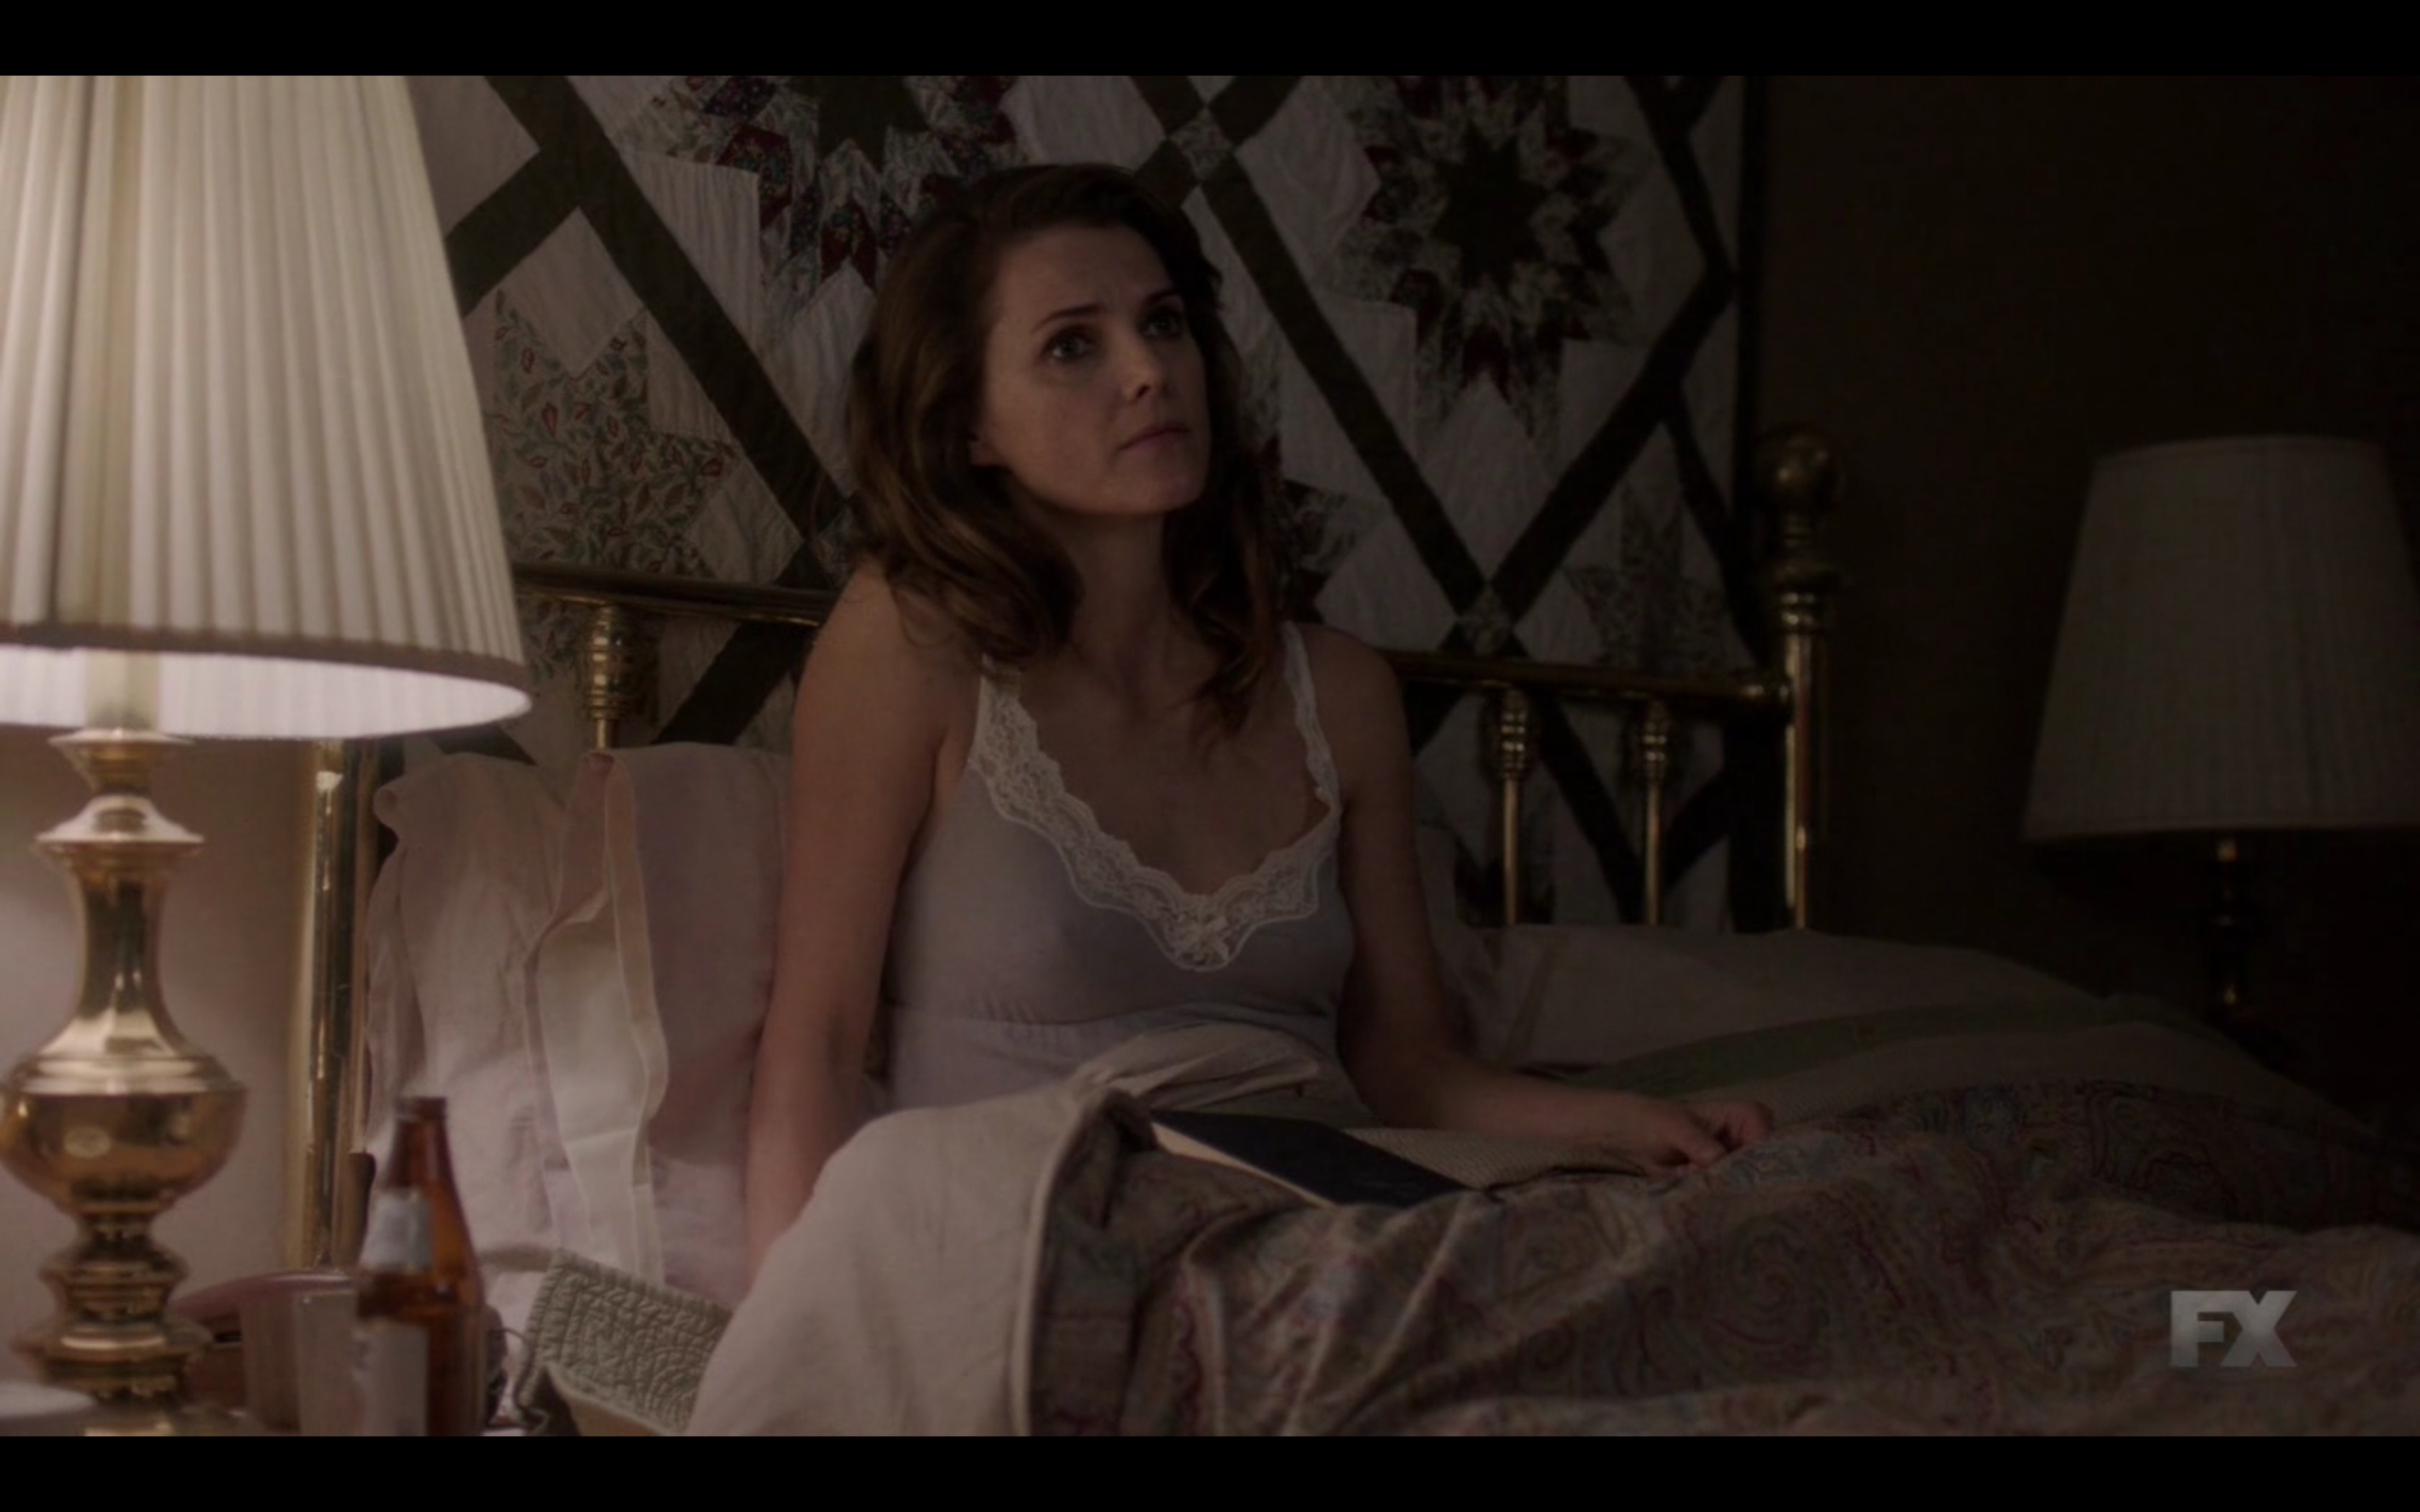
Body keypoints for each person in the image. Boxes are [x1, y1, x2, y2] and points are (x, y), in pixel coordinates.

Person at [744, 163, 1772, 1281]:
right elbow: (818, 1047)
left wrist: (1626, 1127)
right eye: (1072, 345)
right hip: (1045, 1241)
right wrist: (796, 1337)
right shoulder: (910, 643)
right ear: (970, 424)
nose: (1148, 370)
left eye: (1164, 323)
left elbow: (1410, 1068)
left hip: (1327, 1221)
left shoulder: (1339, 693)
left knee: (1762, 1227)